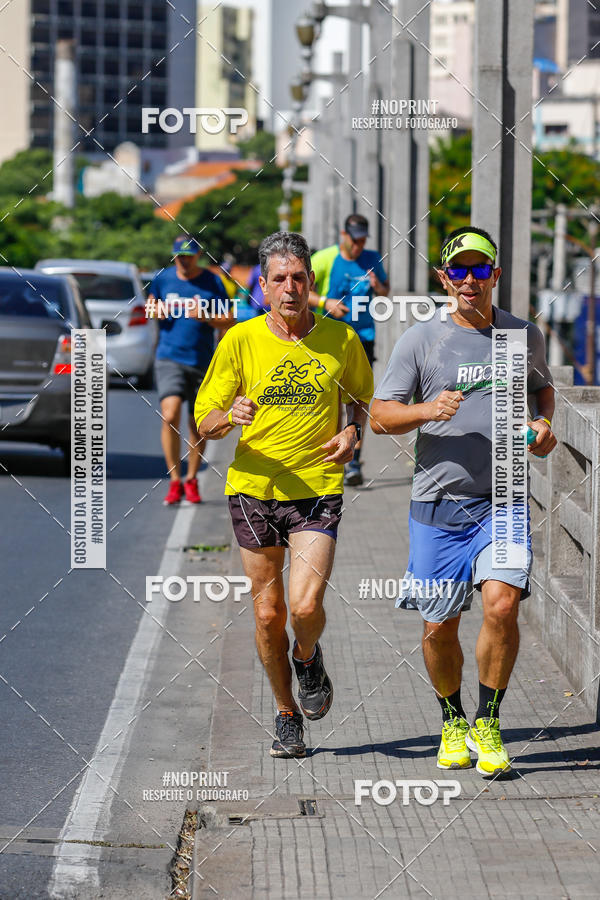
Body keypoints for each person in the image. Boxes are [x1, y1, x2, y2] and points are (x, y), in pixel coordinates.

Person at [370, 226, 557, 778]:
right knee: (438, 626)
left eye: (480, 270)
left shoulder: (522, 336)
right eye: (459, 270)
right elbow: (380, 415)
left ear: (495, 275)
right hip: (438, 505)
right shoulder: (421, 340)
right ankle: (451, 718)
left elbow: (542, 388)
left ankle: (489, 722)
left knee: (501, 605)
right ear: (443, 278)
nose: (469, 280)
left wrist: (544, 424)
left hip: (503, 500)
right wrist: (427, 411)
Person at [194, 231, 374, 758]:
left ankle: (309, 655)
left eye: (298, 277)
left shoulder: (341, 340)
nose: (290, 287)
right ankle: (285, 712)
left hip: (316, 488)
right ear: (265, 287)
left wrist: (353, 432)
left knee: (305, 603)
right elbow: (205, 422)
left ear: (310, 283)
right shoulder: (240, 341)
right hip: (253, 490)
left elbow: (363, 400)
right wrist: (230, 416)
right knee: (269, 613)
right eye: (279, 279)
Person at [146, 236, 231, 506]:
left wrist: (205, 315)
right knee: (170, 414)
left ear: (198, 256)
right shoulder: (163, 280)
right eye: (179, 256)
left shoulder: (212, 282)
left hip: (202, 360)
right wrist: (154, 309)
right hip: (168, 356)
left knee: (198, 424)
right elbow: (149, 306)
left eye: (189, 256)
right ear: (173, 257)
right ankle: (174, 479)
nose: (184, 261)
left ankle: (191, 478)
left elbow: (229, 319)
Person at [309, 213, 389, 486]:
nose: (358, 246)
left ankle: (354, 461)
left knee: (358, 399)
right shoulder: (324, 259)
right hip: (329, 339)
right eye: (354, 241)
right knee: (329, 396)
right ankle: (324, 452)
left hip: (363, 337)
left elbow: (386, 291)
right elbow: (299, 290)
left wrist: (379, 286)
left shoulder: (372, 258)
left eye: (362, 241)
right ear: (344, 235)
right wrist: (325, 302)